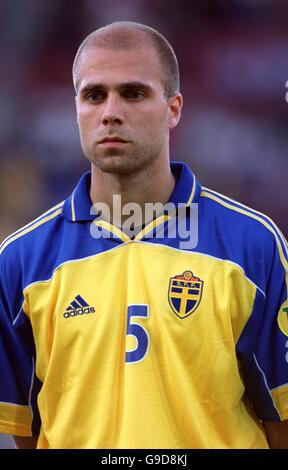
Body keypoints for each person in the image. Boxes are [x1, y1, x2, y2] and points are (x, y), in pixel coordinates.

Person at [0, 21, 287, 450]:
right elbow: (26, 430)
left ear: (173, 109)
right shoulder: (20, 260)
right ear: (75, 107)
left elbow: (281, 419)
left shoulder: (253, 245)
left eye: (133, 93)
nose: (110, 111)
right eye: (93, 95)